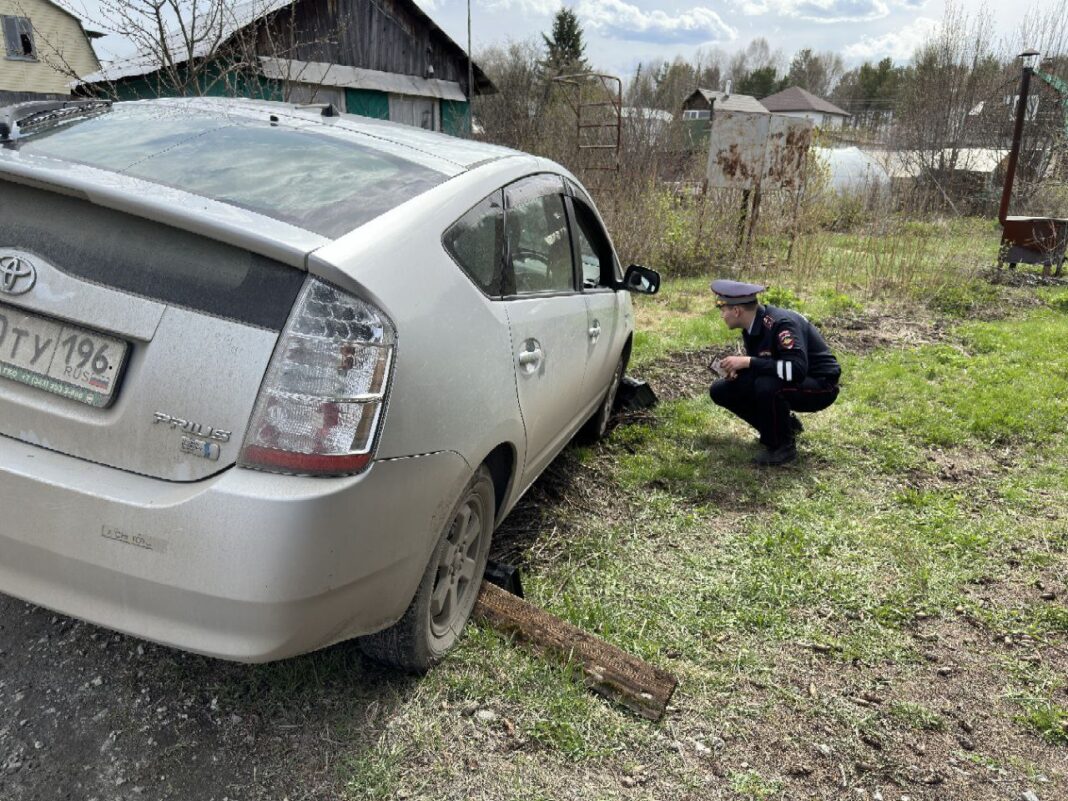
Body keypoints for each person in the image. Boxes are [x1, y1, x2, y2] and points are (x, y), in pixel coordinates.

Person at [708, 279, 841, 466]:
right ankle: (786, 426)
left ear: (736, 311)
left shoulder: (781, 324)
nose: (722, 316)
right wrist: (741, 370)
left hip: (821, 385)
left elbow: (796, 370)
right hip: (792, 380)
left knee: (767, 386)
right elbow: (767, 363)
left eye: (723, 310)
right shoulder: (752, 326)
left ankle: (782, 447)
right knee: (722, 389)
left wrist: (748, 362)